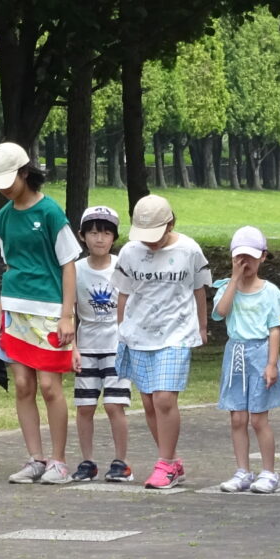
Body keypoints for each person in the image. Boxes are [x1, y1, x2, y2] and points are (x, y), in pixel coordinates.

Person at [0, 142, 80, 485]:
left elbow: (69, 265)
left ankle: (59, 461)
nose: (3, 188)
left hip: (49, 311)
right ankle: (35, 459)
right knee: (23, 385)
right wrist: (0, 308)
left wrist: (67, 315)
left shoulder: (51, 213)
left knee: (49, 386)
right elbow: (9, 265)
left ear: (25, 173)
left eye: (8, 179)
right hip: (15, 310)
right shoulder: (3, 216)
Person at [113, 193, 212, 491]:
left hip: (176, 333)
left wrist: (202, 326)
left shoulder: (189, 250)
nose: (150, 242)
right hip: (139, 334)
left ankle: (165, 465)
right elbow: (123, 293)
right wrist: (121, 330)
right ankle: (169, 459)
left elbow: (198, 289)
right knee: (148, 403)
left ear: (170, 224)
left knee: (164, 399)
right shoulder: (129, 252)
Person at [212, 225, 280, 494]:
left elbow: (275, 329)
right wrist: (234, 279)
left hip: (260, 353)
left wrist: (271, 364)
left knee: (259, 418)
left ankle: (269, 472)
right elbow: (221, 313)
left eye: (251, 257)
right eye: (240, 258)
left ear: (263, 257)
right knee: (237, 418)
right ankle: (242, 470)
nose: (246, 263)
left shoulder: (271, 292)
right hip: (235, 353)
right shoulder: (225, 288)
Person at [72, 204, 134, 483]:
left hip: (117, 344)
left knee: (114, 404)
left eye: (106, 233)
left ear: (114, 237)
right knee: (85, 406)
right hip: (86, 345)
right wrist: (72, 346)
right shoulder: (74, 270)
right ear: (82, 236)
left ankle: (121, 461)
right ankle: (87, 461)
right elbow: (70, 311)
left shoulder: (123, 266)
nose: (99, 239)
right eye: (94, 232)